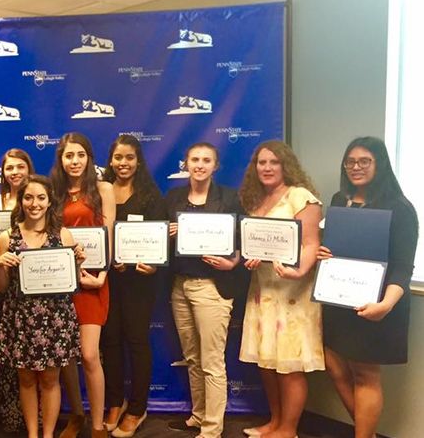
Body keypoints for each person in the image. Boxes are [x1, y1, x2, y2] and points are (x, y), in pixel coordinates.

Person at [317, 137, 418, 438]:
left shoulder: (400, 208)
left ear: (380, 164)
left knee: (365, 375)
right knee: (334, 367)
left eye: (364, 161)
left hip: (378, 304)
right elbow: (336, 246)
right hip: (339, 299)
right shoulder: (339, 199)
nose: (356, 167)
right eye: (350, 162)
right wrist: (326, 253)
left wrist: (385, 306)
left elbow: (403, 266)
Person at [238, 140, 323, 438]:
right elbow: (257, 241)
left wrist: (299, 270)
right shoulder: (257, 200)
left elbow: (311, 243)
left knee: (289, 364)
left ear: (286, 165)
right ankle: (274, 422)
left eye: (274, 162)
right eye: (262, 162)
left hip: (292, 294)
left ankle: (289, 429)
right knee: (268, 361)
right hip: (262, 291)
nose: (267, 168)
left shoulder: (301, 197)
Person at [163, 142, 248, 438]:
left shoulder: (229, 198)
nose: (199, 165)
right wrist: (167, 233)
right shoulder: (173, 198)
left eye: (206, 160)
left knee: (212, 360)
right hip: (180, 285)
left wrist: (232, 262)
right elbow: (159, 242)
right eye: (194, 159)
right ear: (185, 163)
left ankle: (212, 429)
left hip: (212, 286)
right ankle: (199, 415)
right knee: (193, 357)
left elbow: (242, 241)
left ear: (216, 166)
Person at [0, 174, 84, 438]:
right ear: (20, 201)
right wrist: (1, 264)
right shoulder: (6, 238)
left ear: (49, 202)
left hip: (55, 318)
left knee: (50, 380)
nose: (35, 203)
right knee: (26, 379)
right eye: (28, 197)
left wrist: (77, 263)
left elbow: (73, 284)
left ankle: (47, 435)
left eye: (41, 198)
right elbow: (0, 287)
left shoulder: (63, 235)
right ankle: (33, 434)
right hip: (20, 318)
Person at [50, 132, 115, 438]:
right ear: (60, 160)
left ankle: (98, 425)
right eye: (68, 156)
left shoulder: (103, 189)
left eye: (80, 155)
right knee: (65, 356)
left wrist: (103, 274)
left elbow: (108, 233)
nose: (74, 161)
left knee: (89, 355)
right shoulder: (52, 192)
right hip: (61, 282)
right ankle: (76, 415)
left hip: (92, 280)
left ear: (89, 158)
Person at [100, 135, 163, 437]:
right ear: (110, 160)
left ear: (138, 161)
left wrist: (153, 263)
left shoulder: (151, 195)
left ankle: (137, 407)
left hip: (140, 282)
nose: (123, 164)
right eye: (118, 158)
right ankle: (115, 402)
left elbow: (162, 242)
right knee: (109, 340)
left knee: (137, 341)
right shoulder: (100, 191)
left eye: (129, 158)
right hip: (106, 280)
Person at [0, 148, 35, 433]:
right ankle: (10, 413)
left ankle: (35, 415)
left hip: (34, 287)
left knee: (33, 356)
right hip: (5, 284)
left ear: (29, 169)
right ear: (2, 173)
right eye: (9, 168)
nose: (15, 172)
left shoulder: (38, 197)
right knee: (8, 354)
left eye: (20, 166)